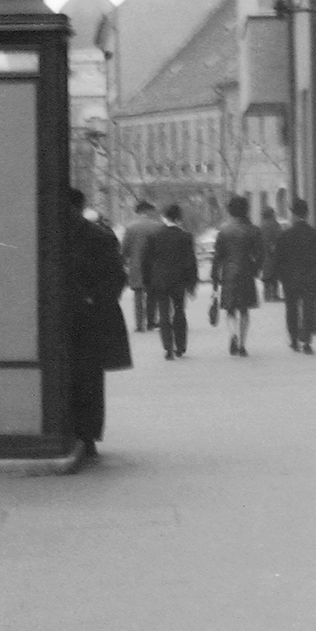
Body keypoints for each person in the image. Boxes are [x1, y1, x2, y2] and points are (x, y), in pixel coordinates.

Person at [68, 187, 132, 456]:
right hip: (81, 316)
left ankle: (87, 434)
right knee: (87, 378)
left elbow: (116, 278)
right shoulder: (96, 236)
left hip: (88, 318)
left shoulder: (97, 237)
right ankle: (84, 433)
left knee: (88, 378)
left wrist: (93, 301)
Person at [141, 204, 198, 360]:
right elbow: (190, 261)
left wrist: (146, 282)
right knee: (179, 312)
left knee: (164, 313)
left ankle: (168, 348)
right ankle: (180, 346)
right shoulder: (185, 237)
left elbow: (146, 261)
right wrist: (192, 283)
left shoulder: (154, 236)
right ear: (179, 218)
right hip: (179, 281)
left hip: (159, 280)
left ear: (164, 217)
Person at [273, 198, 316, 354]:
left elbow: (278, 258)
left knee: (292, 309)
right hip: (311, 277)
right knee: (309, 307)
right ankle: (307, 341)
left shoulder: (285, 236)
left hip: (290, 278)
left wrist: (280, 277)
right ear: (307, 213)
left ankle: (294, 339)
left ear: (293, 214)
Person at [212, 195, 264, 357]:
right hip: (246, 272)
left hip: (228, 273)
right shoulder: (253, 229)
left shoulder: (223, 230)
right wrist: (255, 269)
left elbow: (218, 256)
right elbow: (260, 255)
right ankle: (242, 344)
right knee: (244, 310)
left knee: (230, 309)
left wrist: (215, 277)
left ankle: (233, 333)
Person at [120, 201, 163, 333]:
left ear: (137, 212)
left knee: (138, 295)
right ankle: (151, 321)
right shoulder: (159, 227)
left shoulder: (131, 228)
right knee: (153, 294)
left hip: (136, 265)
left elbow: (125, 248)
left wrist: (124, 261)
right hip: (154, 265)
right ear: (149, 211)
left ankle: (139, 324)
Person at [259, 206, 285, 302]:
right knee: (274, 275)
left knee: (267, 275)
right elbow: (280, 237)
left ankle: (267, 294)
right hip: (273, 254)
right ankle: (274, 294)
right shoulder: (274, 224)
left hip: (265, 254)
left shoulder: (262, 225)